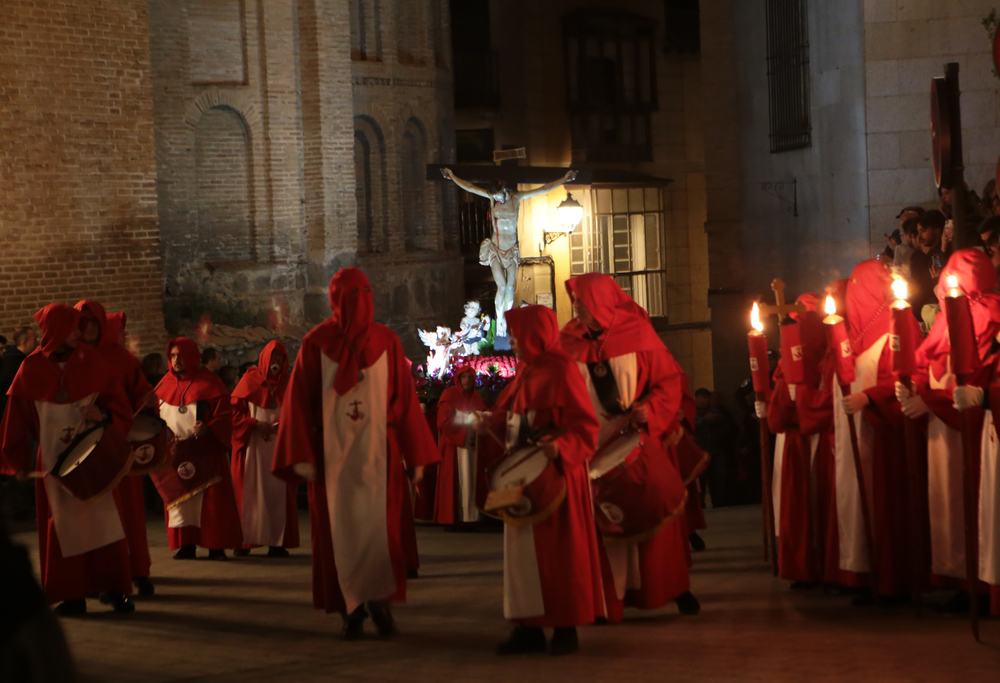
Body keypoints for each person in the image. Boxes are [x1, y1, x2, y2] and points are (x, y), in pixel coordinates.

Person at [271, 267, 439, 640]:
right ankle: (352, 610)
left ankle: (379, 602)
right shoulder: (316, 344)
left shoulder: (386, 341)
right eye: (351, 294)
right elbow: (298, 401)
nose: (360, 302)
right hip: (332, 458)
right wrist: (301, 454)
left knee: (383, 534)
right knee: (338, 536)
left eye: (365, 292)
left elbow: (405, 400)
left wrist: (416, 457)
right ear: (336, 299)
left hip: (380, 454)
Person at [561, 273, 699, 625]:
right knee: (601, 529)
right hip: (589, 449)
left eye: (581, 300)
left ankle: (665, 589)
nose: (575, 306)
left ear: (601, 302)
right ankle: (608, 602)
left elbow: (667, 383)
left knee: (652, 518)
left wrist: (649, 410)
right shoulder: (567, 341)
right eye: (574, 300)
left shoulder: (637, 335)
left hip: (634, 441)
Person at [475, 304, 602, 656]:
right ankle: (527, 627)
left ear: (533, 335)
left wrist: (560, 447)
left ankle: (565, 627)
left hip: (554, 476)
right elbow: (514, 417)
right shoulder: (525, 373)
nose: (512, 341)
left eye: (517, 334)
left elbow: (584, 425)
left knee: (559, 555)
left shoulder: (561, 370)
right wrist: (491, 423)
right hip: (522, 477)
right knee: (520, 558)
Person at [0, 304, 135, 615]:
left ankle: (114, 590)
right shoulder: (29, 369)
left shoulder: (92, 361)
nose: (79, 333)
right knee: (62, 526)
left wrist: (103, 413)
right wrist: (16, 460)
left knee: (105, 523)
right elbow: (15, 420)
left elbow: (119, 405)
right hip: (51, 460)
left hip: (93, 455)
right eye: (73, 327)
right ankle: (71, 595)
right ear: (57, 330)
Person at [897, 249, 1000, 611]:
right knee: (946, 503)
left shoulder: (991, 319)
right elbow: (929, 361)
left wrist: (932, 402)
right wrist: (912, 388)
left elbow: (979, 379)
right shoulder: (946, 322)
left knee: (974, 504)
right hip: (942, 436)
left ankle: (978, 580)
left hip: (971, 435)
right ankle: (956, 577)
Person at [839, 262, 925, 602]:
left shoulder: (898, 322)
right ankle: (867, 574)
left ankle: (894, 581)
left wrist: (869, 398)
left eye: (860, 286)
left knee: (890, 506)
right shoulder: (856, 332)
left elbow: (906, 373)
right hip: (861, 433)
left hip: (887, 434)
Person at [74, 302, 156, 597]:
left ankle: (138, 570)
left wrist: (146, 399)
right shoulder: (70, 358)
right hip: (81, 447)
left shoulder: (121, 358)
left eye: (94, 322)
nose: (89, 328)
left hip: (117, 443)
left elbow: (139, 393)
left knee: (129, 512)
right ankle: (99, 576)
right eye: (83, 322)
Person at [440, 168, 576, 339]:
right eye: (493, 196)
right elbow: (470, 187)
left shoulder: (516, 198)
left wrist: (564, 179)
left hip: (511, 249)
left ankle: (507, 318)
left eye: (497, 195)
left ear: (503, 190)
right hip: (496, 249)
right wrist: (453, 176)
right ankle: (500, 324)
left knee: (510, 287)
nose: (495, 198)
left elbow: (543, 189)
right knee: (501, 286)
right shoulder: (491, 198)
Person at [757, 294, 829, 586]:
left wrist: (769, 408)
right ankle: (826, 564)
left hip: (796, 442)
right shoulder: (827, 351)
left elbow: (780, 415)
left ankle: (804, 567)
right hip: (824, 439)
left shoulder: (795, 359)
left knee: (800, 506)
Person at [155, 337, 243, 560]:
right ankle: (186, 545)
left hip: (205, 452)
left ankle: (215, 546)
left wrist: (209, 428)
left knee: (211, 503)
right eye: (172, 356)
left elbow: (225, 416)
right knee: (181, 504)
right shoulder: (164, 384)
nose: (176, 360)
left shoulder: (211, 383)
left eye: (180, 355)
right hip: (175, 454)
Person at [230, 341, 299, 557]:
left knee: (276, 496)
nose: (276, 362)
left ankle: (276, 543)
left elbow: (300, 413)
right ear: (264, 358)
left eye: (280, 358)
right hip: (252, 447)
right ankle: (245, 542)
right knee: (250, 495)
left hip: (280, 447)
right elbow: (233, 415)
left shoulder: (290, 383)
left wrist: (285, 425)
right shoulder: (249, 380)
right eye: (273, 357)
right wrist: (255, 425)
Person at [433, 364, 486, 528]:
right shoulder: (449, 394)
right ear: (458, 378)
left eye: (470, 377)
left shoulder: (476, 396)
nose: (467, 380)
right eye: (463, 377)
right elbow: (444, 421)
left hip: (473, 448)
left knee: (472, 479)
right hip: (454, 446)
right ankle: (454, 519)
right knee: (455, 482)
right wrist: (469, 420)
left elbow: (482, 417)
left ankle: (472, 517)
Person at [694, 388, 728, 507]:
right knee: (700, 480)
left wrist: (715, 419)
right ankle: (700, 504)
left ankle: (719, 503)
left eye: (707, 398)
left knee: (718, 480)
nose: (706, 400)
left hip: (715, 450)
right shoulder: (692, 411)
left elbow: (725, 425)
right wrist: (703, 420)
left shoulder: (715, 410)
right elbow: (690, 425)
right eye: (703, 397)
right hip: (700, 451)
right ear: (697, 398)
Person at [0, 327, 37, 420]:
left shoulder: (23, 358)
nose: (37, 342)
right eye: (34, 339)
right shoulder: (12, 361)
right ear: (24, 342)